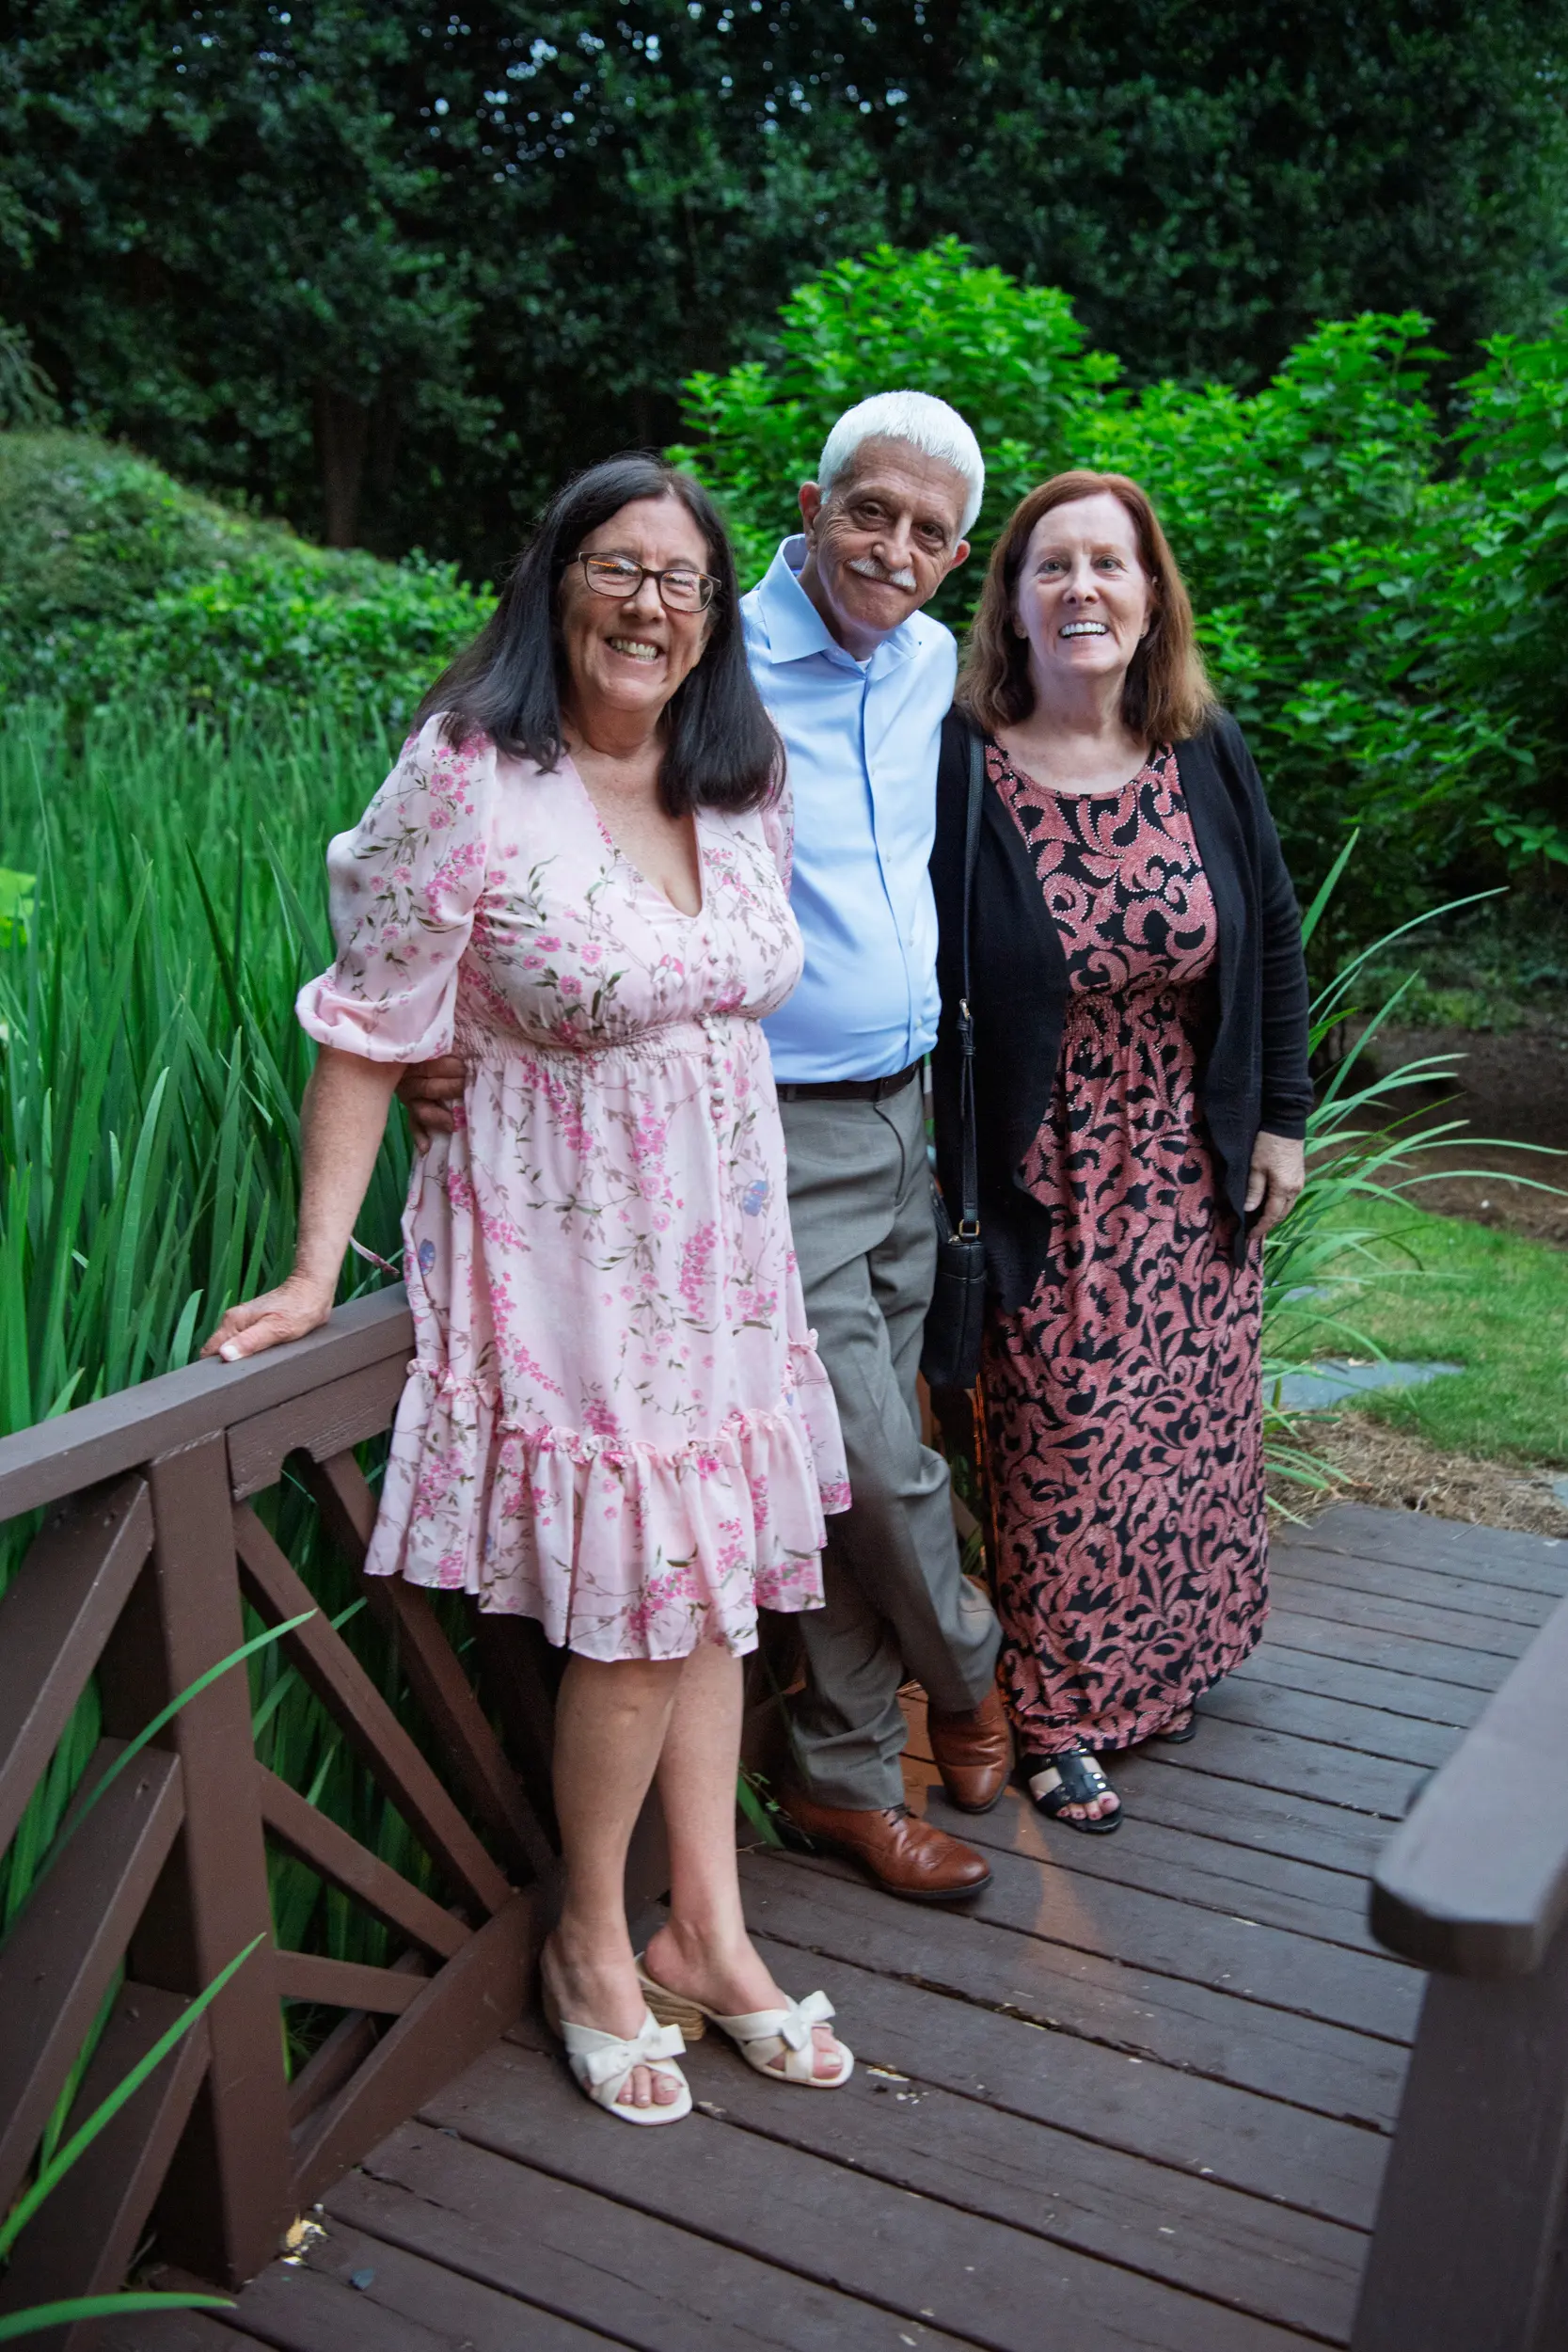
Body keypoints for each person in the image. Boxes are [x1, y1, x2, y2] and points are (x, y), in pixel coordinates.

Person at [203, 453, 855, 2126]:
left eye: (682, 581)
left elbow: (728, 998)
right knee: (641, 1612)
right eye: (617, 568)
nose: (650, 606)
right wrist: (311, 1270)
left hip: (724, 1263)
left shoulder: (736, 776)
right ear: (555, 579)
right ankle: (588, 1945)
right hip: (569, 1258)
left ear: (714, 616)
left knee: (712, 1589)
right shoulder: (469, 772)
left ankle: (706, 1930)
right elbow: (371, 1027)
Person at [405, 394, 1013, 1902]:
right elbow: (519, 837)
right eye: (868, 512)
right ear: (809, 507)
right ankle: (965, 1679)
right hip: (749, 1136)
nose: (894, 550)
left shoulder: (926, 662)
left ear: (955, 555)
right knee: (858, 1450)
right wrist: (440, 1032)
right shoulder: (702, 653)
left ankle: (845, 1770)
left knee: (839, 1454)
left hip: (905, 1108)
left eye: (929, 532)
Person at [930, 469, 1312, 1833]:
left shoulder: (1201, 747)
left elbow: (1270, 931)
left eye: (1109, 563)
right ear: (1012, 600)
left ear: (1152, 597)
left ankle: (1162, 1669)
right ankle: (1058, 1711)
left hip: (1191, 1149)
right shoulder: (959, 765)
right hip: (1044, 1169)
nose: (1081, 588)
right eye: (1052, 566)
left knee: (1189, 1426)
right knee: (1062, 1435)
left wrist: (1282, 1118)